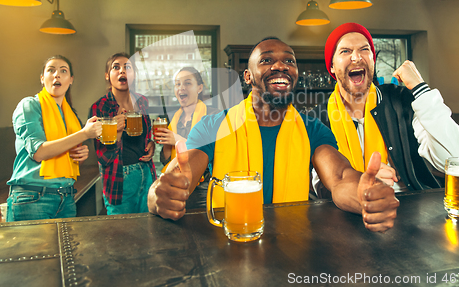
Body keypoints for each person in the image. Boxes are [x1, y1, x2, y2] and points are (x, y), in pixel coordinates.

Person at [148, 37, 399, 233]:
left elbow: (340, 178)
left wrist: (364, 197)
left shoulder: (313, 129)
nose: (281, 66)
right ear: (248, 76)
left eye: (289, 61)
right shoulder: (214, 125)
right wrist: (160, 194)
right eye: (266, 60)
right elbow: (180, 176)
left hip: (294, 250)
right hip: (229, 244)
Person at [309, 22, 459, 196]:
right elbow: (320, 185)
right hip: (346, 213)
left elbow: (455, 160)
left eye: (364, 49)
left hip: (414, 207)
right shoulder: (317, 119)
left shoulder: (401, 100)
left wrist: (420, 89)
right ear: (331, 66)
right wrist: (362, 183)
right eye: (345, 51)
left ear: (372, 60)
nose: (356, 57)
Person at [6, 55, 102, 222]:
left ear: (70, 80)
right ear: (43, 79)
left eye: (63, 71)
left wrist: (80, 156)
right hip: (33, 197)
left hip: (66, 197)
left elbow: (66, 160)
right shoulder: (29, 105)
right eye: (51, 70)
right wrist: (84, 134)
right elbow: (39, 153)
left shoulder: (70, 116)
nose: (57, 74)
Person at [90, 53, 157, 215]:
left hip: (146, 174)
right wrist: (117, 132)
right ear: (107, 75)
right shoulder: (100, 107)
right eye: (116, 67)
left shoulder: (142, 101)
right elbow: (103, 157)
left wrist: (151, 145)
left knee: (150, 229)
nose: (122, 71)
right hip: (120, 179)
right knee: (122, 234)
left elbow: (146, 136)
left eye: (128, 67)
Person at [154, 66, 218, 209]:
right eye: (177, 84)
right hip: (175, 187)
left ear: (199, 88)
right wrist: (165, 142)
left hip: (203, 190)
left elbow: (213, 154)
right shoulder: (174, 119)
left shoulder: (213, 116)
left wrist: (177, 140)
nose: (181, 87)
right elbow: (165, 159)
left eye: (187, 83)